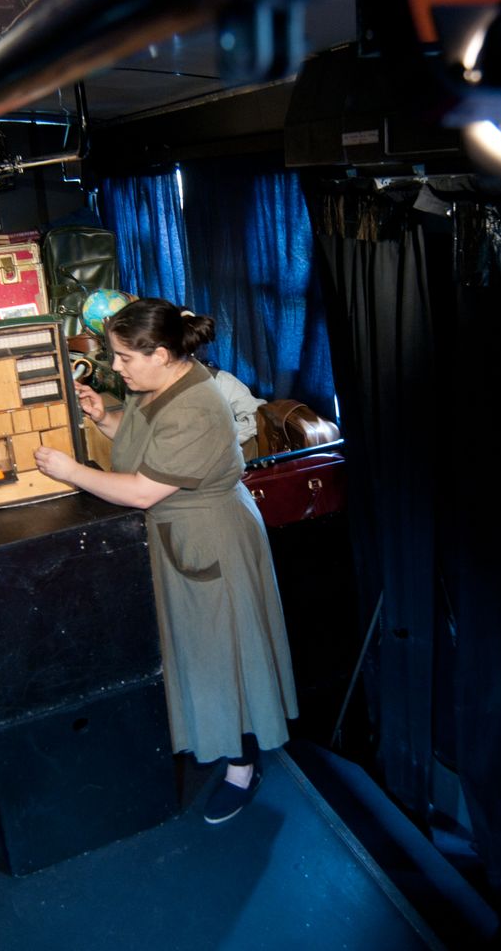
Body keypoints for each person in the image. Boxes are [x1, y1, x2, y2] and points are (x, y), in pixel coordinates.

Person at [34, 298, 298, 824]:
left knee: (225, 655)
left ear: (160, 353)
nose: (116, 368)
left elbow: (141, 489)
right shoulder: (157, 384)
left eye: (124, 357)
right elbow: (146, 447)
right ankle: (214, 738)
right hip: (184, 535)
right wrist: (103, 417)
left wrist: (71, 471)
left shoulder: (196, 406)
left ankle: (243, 767)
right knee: (200, 652)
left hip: (211, 541)